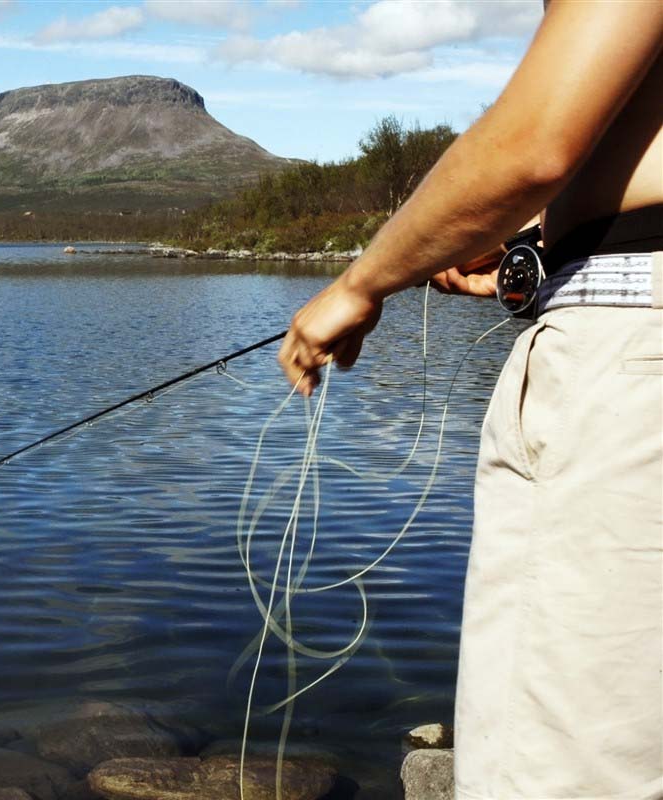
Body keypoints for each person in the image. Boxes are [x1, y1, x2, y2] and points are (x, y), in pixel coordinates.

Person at [276, 2, 663, 799]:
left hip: (629, 369)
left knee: (557, 769)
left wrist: (362, 281)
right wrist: (540, 239)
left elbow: (534, 142)